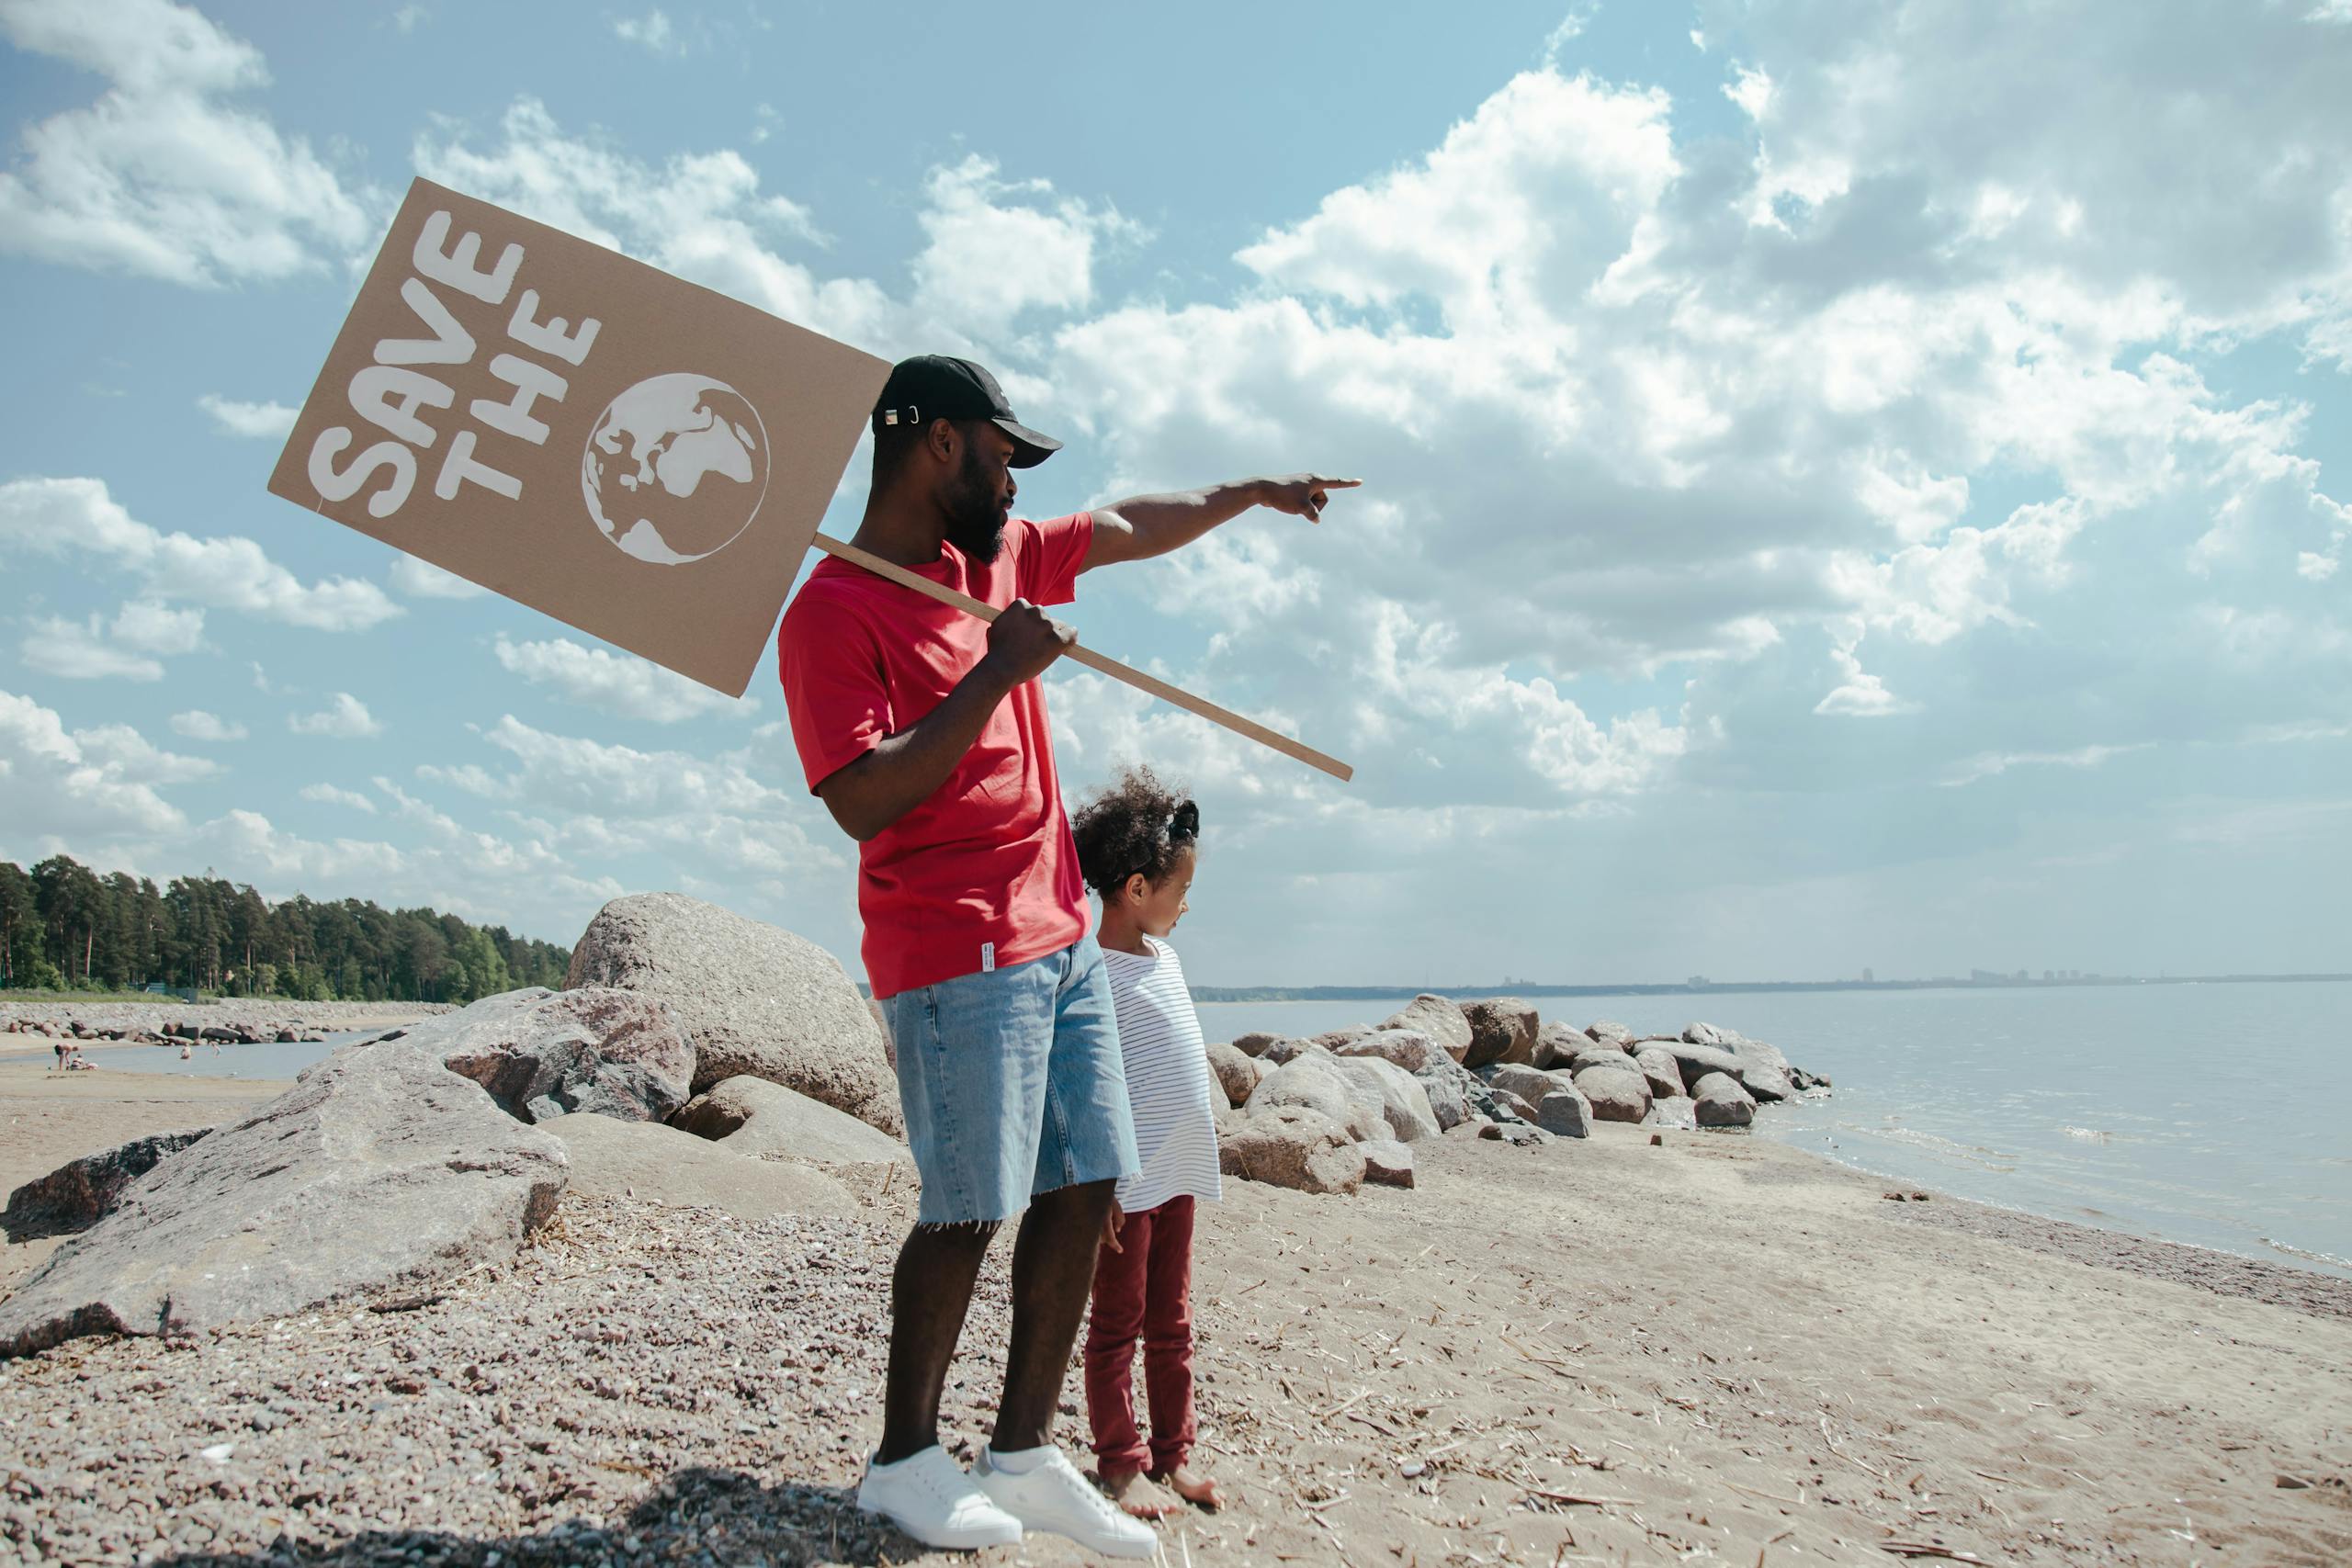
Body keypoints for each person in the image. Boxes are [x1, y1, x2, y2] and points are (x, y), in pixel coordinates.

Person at [777, 354, 1353, 1556]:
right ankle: (902, 1458)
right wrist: (996, 673)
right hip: (955, 946)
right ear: (937, 442)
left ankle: (1027, 1449)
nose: (1014, 476)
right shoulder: (833, 608)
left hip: (1061, 933)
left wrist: (1250, 490)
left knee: (1092, 1176)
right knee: (968, 1204)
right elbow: (862, 798)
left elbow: (1130, 521)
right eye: (1001, 451)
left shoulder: (997, 554)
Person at [1071, 770, 1227, 1518]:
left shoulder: (1165, 958)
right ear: (1135, 887)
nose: (1186, 903)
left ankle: (1176, 1452)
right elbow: (1088, 1088)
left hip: (1180, 1175)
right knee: (1117, 1325)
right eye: (1179, 887)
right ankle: (1120, 1460)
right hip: (1127, 1189)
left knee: (1173, 1321)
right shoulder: (1094, 973)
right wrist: (1097, 1183)